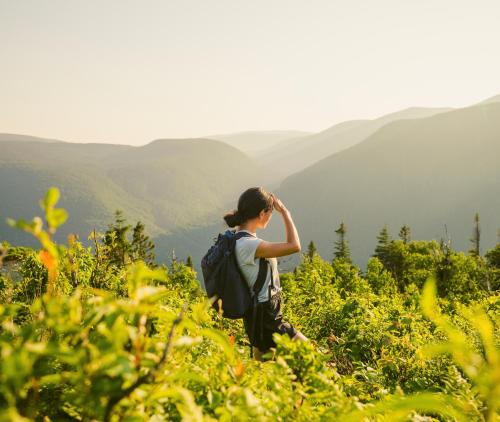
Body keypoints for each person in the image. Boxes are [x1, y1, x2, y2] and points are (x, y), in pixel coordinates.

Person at [223, 187, 308, 361]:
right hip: (267, 316)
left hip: (257, 314)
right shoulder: (249, 245)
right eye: (270, 213)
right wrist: (285, 213)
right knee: (310, 354)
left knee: (263, 370)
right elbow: (294, 245)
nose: (270, 217)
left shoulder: (238, 239)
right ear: (262, 213)